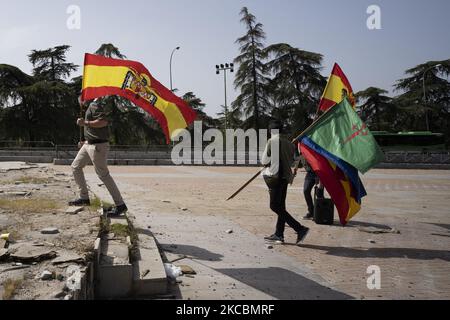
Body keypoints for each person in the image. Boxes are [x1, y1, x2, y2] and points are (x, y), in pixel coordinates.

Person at [69, 98, 128, 216]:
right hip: (89, 144)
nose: (79, 100)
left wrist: (84, 123)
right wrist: (85, 140)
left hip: (98, 146)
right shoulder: (90, 106)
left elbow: (103, 122)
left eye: (80, 97)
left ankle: (120, 205)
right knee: (76, 166)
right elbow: (94, 128)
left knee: (103, 175)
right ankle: (84, 198)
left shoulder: (94, 105)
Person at [261, 120, 309, 245]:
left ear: (272, 131)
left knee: (274, 206)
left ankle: (300, 229)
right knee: (281, 207)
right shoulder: (290, 144)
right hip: (285, 178)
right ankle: (279, 234)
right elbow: (291, 160)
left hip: (275, 177)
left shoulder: (272, 141)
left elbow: (264, 160)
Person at [294, 150, 324, 220]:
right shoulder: (298, 147)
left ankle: (321, 213)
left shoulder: (307, 144)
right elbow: (298, 158)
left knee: (319, 193)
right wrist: (295, 168)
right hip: (310, 172)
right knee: (306, 191)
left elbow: (316, 159)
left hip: (317, 171)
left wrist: (318, 176)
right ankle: (311, 212)